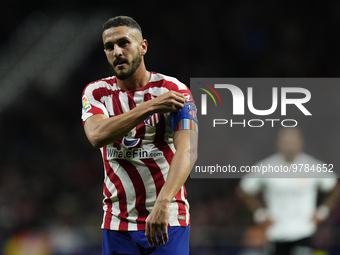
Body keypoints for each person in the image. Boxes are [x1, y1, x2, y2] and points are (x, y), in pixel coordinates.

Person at [81, 16, 198, 255]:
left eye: (124, 43)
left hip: (168, 218)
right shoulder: (97, 92)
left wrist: (163, 202)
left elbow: (188, 151)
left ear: (143, 46)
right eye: (109, 47)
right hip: (117, 224)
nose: (117, 52)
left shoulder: (174, 91)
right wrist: (151, 106)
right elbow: (96, 135)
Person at [238, 127, 339, 255]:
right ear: (278, 143)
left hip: (304, 231)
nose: (290, 144)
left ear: (301, 142)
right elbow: (243, 190)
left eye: (293, 140)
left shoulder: (312, 166)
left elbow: (335, 189)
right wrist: (260, 214)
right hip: (276, 233)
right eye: (286, 140)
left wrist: (322, 213)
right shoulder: (266, 167)